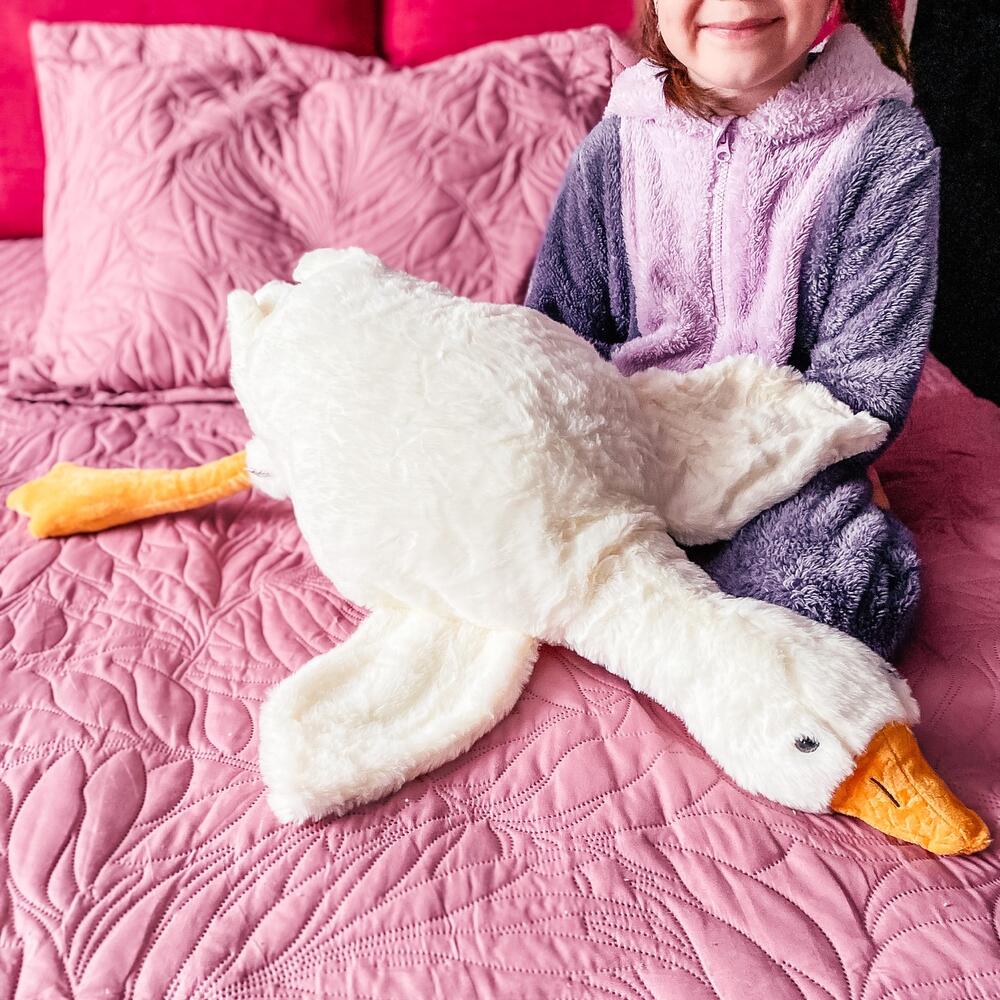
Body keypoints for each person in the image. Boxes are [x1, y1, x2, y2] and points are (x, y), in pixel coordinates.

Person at [524, 0, 940, 661]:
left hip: (781, 471)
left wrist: (771, 475)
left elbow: (864, 387)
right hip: (624, 451)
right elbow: (557, 341)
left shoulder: (886, 150)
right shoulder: (615, 147)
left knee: (832, 594)